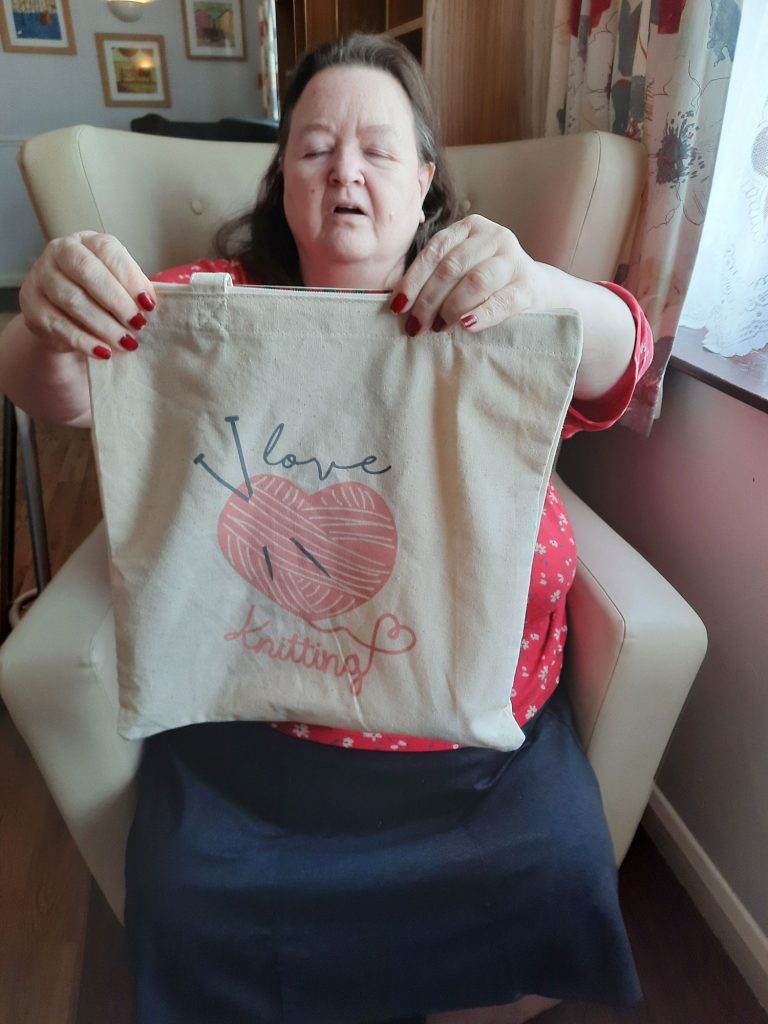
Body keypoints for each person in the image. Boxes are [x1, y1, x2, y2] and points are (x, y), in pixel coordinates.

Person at [0, 34, 653, 1024]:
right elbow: (56, 390)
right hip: (260, 756)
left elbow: (622, 361)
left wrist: (544, 287)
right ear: (283, 182)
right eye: (314, 148)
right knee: (182, 893)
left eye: (378, 149)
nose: (345, 170)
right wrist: (45, 319)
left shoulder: (489, 311)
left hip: (483, 762)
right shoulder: (210, 311)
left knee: (560, 865)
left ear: (425, 181)